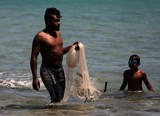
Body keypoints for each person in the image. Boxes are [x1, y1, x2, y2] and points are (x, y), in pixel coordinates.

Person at [30, 7, 79, 102]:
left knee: (61, 97)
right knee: (56, 97)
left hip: (59, 69)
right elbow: (34, 57)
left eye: (59, 20)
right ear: (48, 21)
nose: (59, 23)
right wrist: (35, 77)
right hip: (47, 70)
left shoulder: (58, 33)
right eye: (56, 21)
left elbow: (59, 52)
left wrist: (72, 47)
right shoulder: (40, 37)